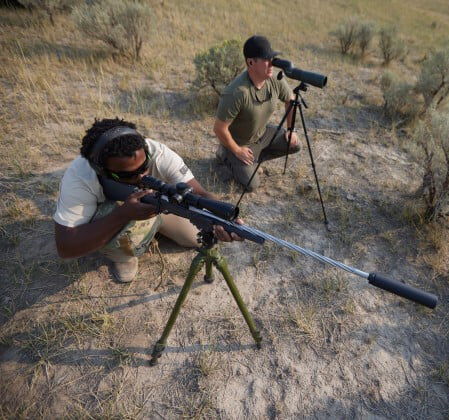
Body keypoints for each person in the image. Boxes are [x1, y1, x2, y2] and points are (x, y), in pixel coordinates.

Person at [54, 118, 242, 283]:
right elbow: (66, 247)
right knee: (110, 218)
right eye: (130, 174)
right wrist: (122, 214)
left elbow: (199, 193)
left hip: (157, 205)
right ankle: (123, 256)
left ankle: (151, 228)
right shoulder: (79, 177)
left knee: (197, 237)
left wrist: (224, 219)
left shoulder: (158, 153)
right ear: (102, 170)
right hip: (117, 211)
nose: (143, 174)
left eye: (145, 165)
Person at [214, 35, 301, 191]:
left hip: (262, 135)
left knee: (295, 144)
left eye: (273, 58)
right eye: (266, 59)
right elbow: (219, 129)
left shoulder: (275, 80)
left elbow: (290, 99)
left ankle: (253, 159)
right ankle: (225, 156)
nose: (272, 63)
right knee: (252, 185)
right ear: (251, 62)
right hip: (239, 143)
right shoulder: (237, 92)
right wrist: (237, 150)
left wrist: (290, 129)